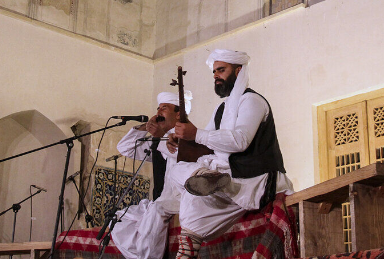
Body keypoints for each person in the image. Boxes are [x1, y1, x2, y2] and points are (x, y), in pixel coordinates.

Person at [166, 49, 294, 259]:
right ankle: (187, 251)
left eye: (221, 70)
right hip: (226, 179)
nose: (216, 75)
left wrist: (196, 134)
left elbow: (240, 140)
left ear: (238, 71)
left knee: (194, 191)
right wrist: (183, 141)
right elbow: (206, 144)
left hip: (254, 180)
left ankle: (207, 178)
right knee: (180, 175)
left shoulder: (252, 101)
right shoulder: (221, 109)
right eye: (214, 71)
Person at [111, 91, 192, 259]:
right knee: (119, 218)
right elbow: (125, 147)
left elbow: (180, 155)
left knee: (156, 210)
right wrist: (143, 128)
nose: (158, 112)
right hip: (161, 200)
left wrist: (160, 136)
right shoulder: (157, 141)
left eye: (164, 108)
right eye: (158, 108)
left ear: (178, 114)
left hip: (180, 201)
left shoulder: (188, 137)